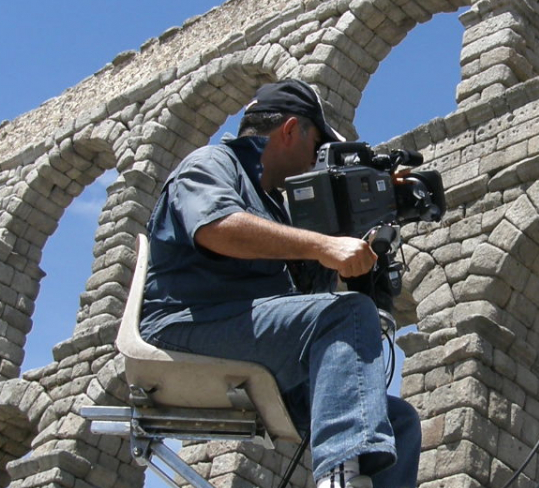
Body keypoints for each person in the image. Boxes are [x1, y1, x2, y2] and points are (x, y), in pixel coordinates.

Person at [138, 79, 420, 488]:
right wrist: (322, 246)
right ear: (290, 130)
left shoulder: (276, 208)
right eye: (317, 146)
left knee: (398, 420)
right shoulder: (212, 163)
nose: (316, 160)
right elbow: (217, 227)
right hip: (185, 327)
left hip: (248, 340)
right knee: (345, 314)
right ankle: (339, 478)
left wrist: (356, 245)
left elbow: (306, 304)